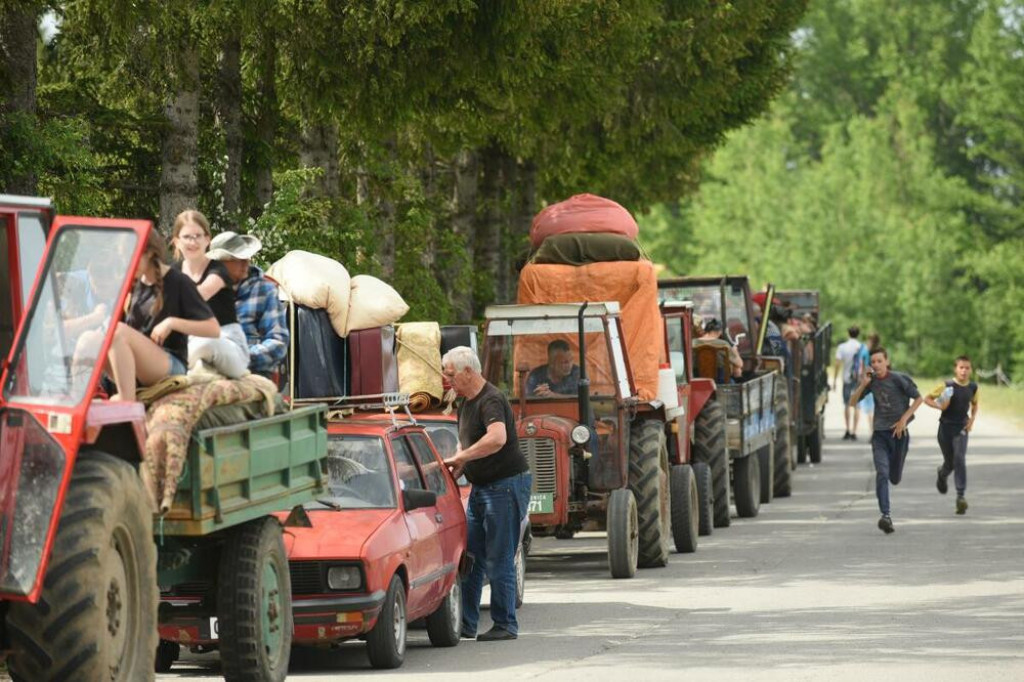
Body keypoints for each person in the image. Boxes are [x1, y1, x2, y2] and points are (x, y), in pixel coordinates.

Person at [441, 346, 531, 642]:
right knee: (471, 556)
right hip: (481, 488)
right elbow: (463, 443)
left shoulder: (490, 399)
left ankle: (505, 624)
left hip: (504, 486)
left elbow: (497, 438)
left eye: (451, 374)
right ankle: (466, 624)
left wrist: (463, 456)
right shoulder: (464, 402)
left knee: (498, 556)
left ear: (469, 371)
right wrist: (458, 465)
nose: (447, 379)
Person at [106, 229, 220, 401]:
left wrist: (172, 323)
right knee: (89, 339)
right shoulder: (133, 285)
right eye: (122, 258)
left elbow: (213, 329)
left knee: (117, 333)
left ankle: (126, 405)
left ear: (150, 253)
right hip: (138, 369)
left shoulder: (179, 282)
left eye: (130, 257)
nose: (126, 264)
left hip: (171, 365)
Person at [848, 347, 923, 534]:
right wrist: (863, 385)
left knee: (894, 477)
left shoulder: (899, 379)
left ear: (887, 362)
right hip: (880, 434)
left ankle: (888, 502)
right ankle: (885, 515)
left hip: (899, 435)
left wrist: (904, 419)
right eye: (873, 362)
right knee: (882, 473)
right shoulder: (871, 382)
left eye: (879, 361)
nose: (876, 365)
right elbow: (851, 402)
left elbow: (918, 399)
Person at [172, 211, 250, 378]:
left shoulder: (217, 269)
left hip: (226, 341)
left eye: (198, 236)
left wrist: (169, 319)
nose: (193, 242)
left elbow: (198, 297)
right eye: (186, 237)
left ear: (207, 239)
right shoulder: (174, 273)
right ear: (176, 241)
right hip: (189, 342)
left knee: (205, 343)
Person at [207, 230, 289, 379]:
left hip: (253, 371)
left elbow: (278, 341)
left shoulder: (265, 289)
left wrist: (241, 357)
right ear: (221, 264)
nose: (246, 262)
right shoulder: (206, 290)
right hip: (210, 367)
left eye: (246, 257)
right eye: (237, 259)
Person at [923, 355, 979, 515]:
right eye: (961, 367)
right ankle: (942, 474)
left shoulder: (973, 387)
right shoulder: (947, 385)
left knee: (960, 458)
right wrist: (939, 406)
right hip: (945, 429)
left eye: (967, 368)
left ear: (971, 370)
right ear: (956, 368)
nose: (964, 371)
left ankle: (960, 497)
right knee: (951, 462)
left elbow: (975, 404)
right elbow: (927, 398)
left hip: (962, 428)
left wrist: (972, 419)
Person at [833, 325, 866, 440]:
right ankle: (854, 431)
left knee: (847, 404)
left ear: (848, 333)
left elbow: (837, 363)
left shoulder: (842, 347)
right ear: (858, 334)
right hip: (858, 380)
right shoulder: (862, 347)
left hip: (846, 378)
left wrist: (835, 379)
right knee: (857, 405)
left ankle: (847, 429)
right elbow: (866, 364)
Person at [858, 333, 880, 430]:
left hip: (870, 381)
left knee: (871, 409)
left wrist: (867, 379)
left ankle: (873, 431)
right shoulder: (880, 352)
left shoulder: (866, 352)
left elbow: (866, 368)